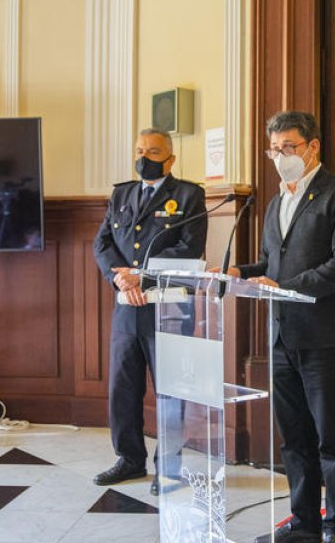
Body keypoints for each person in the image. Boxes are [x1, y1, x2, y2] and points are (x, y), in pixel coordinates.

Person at [224, 111, 335, 543]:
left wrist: (281, 285)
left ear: (313, 146)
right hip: (283, 338)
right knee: (295, 440)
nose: (281, 156)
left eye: (289, 147)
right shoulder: (275, 201)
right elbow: (271, 265)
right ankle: (303, 521)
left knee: (331, 441)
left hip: (325, 339)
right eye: (275, 149)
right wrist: (239, 272)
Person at [92, 128, 207, 495]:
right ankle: (128, 459)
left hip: (169, 307)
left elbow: (191, 249)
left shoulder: (190, 195)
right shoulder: (122, 193)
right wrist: (121, 279)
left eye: (153, 151)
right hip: (127, 306)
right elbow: (102, 243)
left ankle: (168, 469)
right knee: (122, 388)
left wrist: (142, 275)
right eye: (140, 150)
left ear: (170, 159)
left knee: (171, 392)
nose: (145, 157)